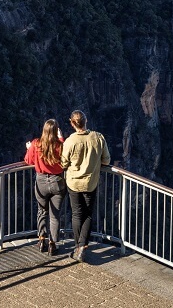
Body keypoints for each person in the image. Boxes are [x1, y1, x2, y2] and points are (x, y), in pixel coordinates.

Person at [61, 110, 110, 263]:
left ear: (72, 123)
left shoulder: (70, 141)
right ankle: (83, 245)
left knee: (76, 214)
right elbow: (106, 161)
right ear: (86, 121)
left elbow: (63, 163)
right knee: (88, 214)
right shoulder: (98, 137)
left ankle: (78, 247)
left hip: (74, 183)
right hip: (90, 182)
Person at [24, 119, 66, 256]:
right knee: (55, 216)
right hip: (57, 181)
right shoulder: (61, 145)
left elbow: (28, 160)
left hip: (41, 181)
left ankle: (42, 240)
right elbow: (65, 161)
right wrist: (61, 138)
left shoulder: (36, 144)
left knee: (42, 211)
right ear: (56, 131)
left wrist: (29, 148)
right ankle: (52, 245)